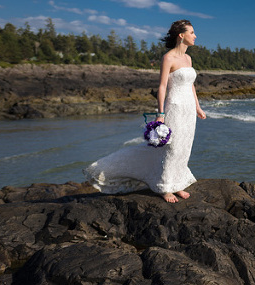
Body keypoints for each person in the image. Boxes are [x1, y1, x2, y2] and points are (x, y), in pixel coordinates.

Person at [83, 19, 207, 203]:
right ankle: (164, 187)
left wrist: (197, 106)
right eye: (192, 32)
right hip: (174, 107)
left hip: (188, 109)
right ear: (181, 35)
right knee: (170, 148)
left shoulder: (188, 58)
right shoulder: (169, 58)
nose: (195, 36)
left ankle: (177, 183)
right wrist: (161, 113)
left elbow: (191, 85)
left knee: (184, 146)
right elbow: (162, 86)